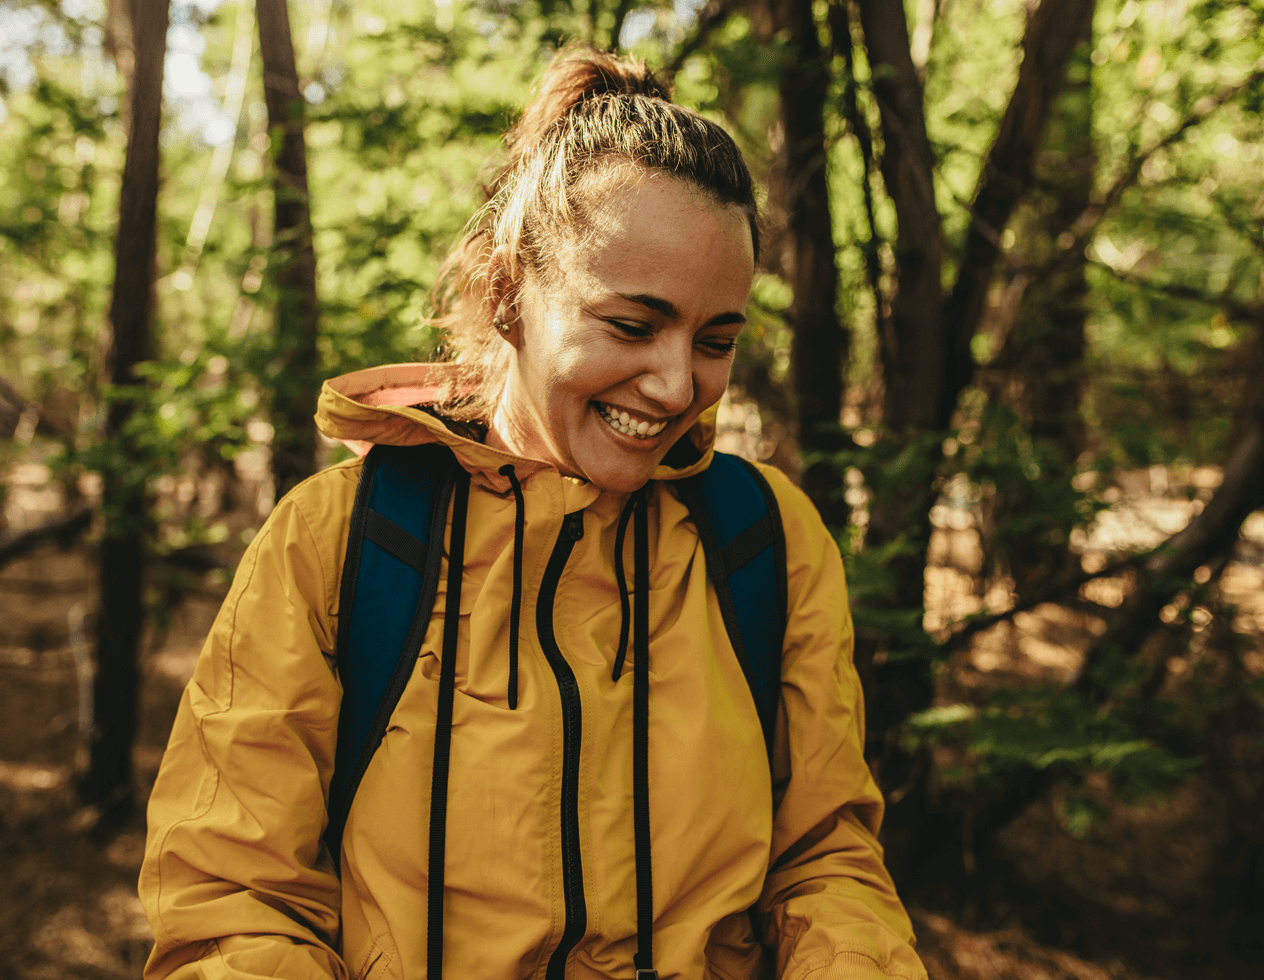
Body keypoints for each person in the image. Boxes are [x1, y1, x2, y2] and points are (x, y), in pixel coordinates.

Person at [139, 48, 927, 980]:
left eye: (715, 339)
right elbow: (235, 899)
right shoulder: (338, 545)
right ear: (510, 294)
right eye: (632, 326)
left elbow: (825, 862)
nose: (679, 386)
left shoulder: (766, 542)